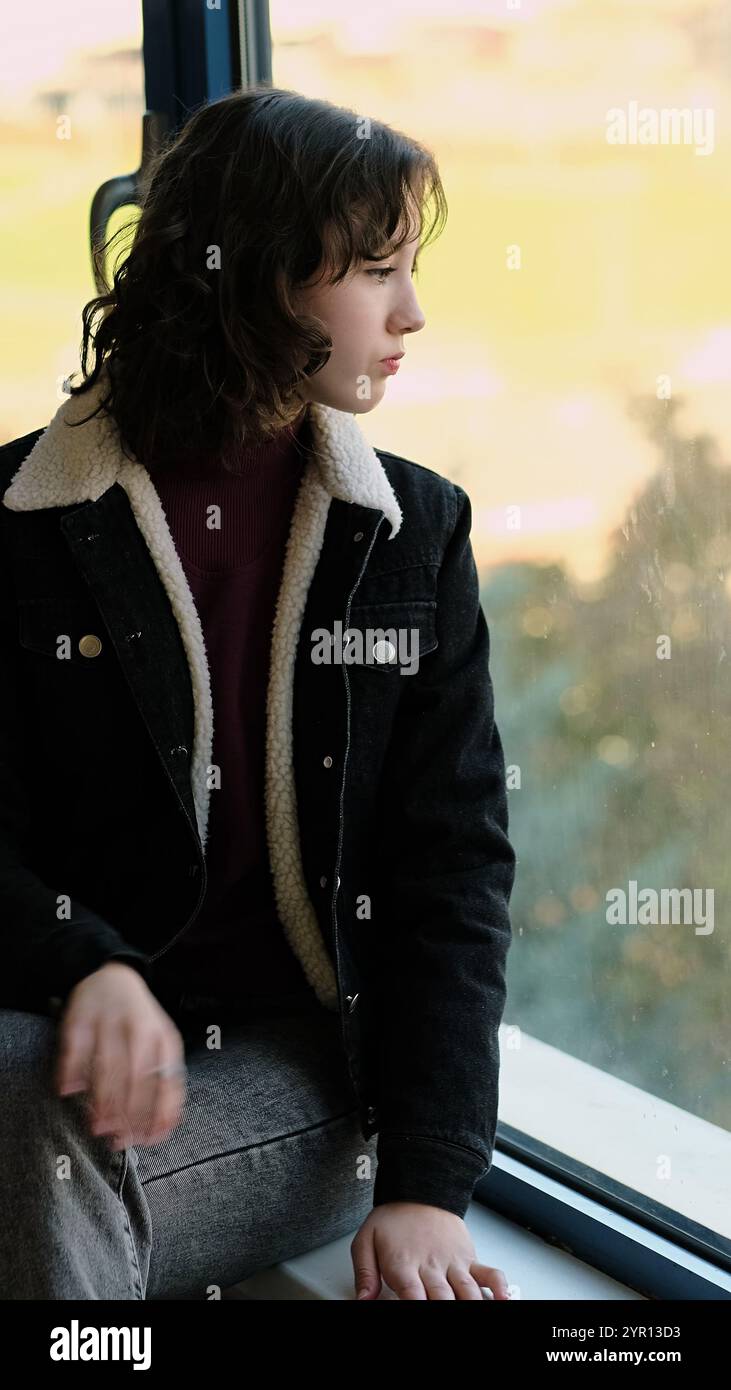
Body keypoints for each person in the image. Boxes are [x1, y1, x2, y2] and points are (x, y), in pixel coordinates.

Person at [0, 84, 516, 1300]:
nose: (412, 312)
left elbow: (450, 872)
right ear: (260, 277)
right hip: (47, 1038)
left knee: (29, 1153)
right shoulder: (20, 525)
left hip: (296, 1075)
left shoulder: (413, 534)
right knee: (26, 1106)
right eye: (376, 269)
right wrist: (90, 963)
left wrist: (426, 1186)